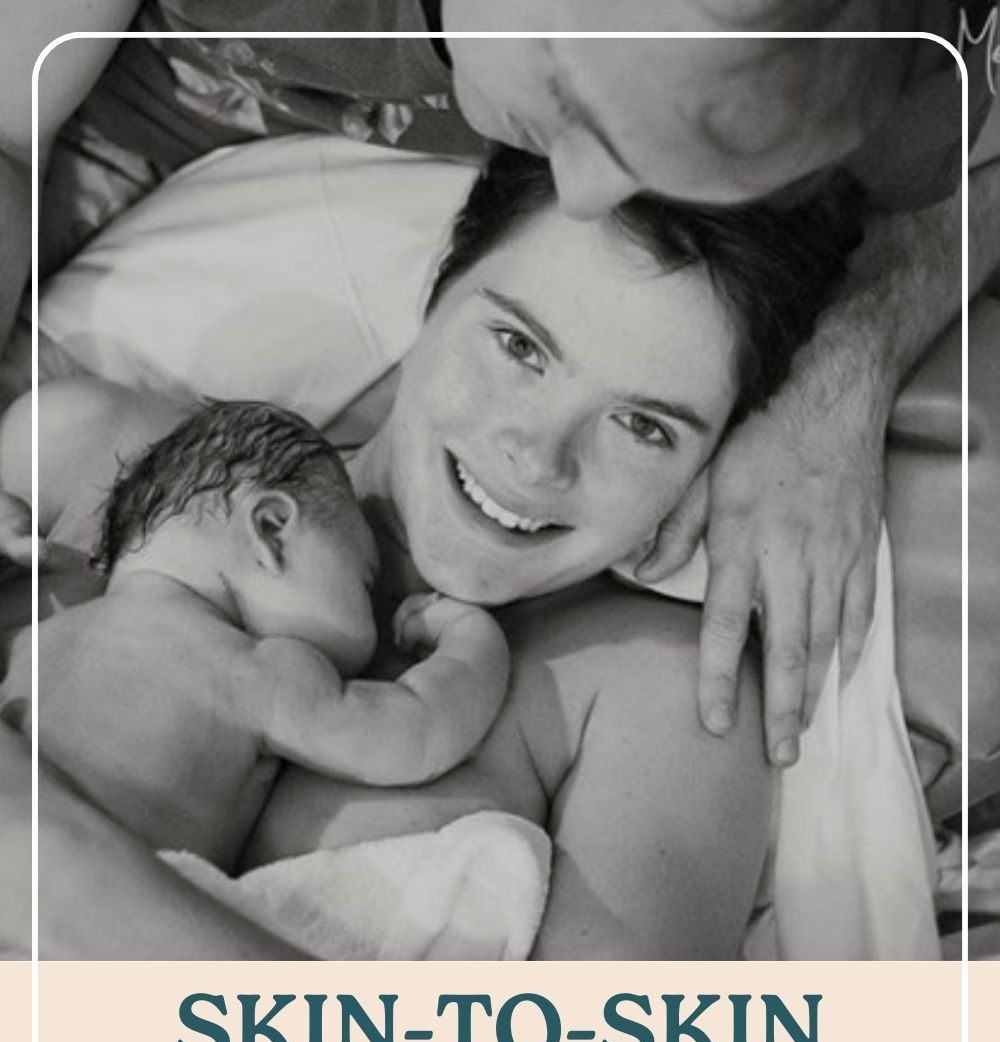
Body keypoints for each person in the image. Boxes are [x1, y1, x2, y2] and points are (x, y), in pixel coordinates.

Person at [0, 1, 994, 770]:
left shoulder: (889, 76)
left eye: (690, 161)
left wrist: (842, 373)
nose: (591, 187)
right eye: (575, 103)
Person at [0, 146, 867, 960]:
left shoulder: (661, 697)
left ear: (710, 463)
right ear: (438, 292)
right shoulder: (142, 478)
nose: (537, 456)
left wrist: (63, 871)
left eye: (644, 426)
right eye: (520, 347)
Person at [0, 396, 510, 869]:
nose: (377, 617)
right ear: (271, 529)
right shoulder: (253, 670)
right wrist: (472, 638)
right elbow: (417, 735)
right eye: (364, 579)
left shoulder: (34, 633)